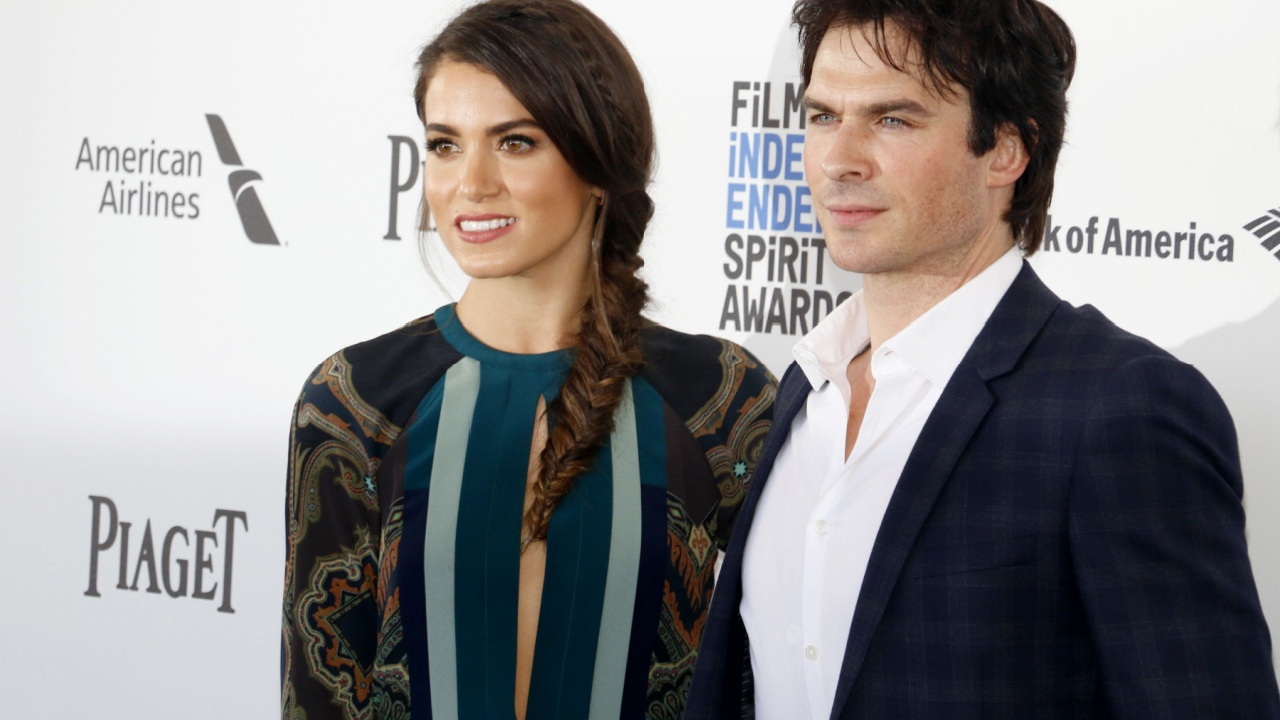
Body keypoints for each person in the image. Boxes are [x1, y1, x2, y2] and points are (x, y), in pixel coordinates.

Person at [686, 0, 1280, 718]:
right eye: (822, 117)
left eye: (892, 119)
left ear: (1006, 150)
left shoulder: (1120, 409)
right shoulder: (806, 389)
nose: (839, 160)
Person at [279, 2, 776, 719]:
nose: (471, 182)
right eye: (445, 145)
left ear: (598, 165)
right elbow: (320, 693)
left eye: (515, 142)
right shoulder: (353, 401)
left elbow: (780, 674)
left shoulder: (721, 400)